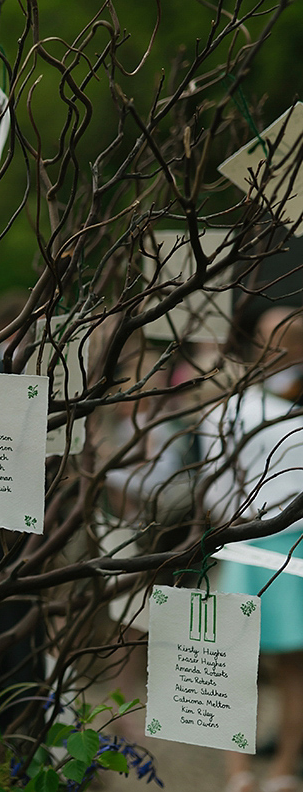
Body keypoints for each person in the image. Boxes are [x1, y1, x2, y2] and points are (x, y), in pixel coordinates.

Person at [206, 307, 303, 792]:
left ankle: (249, 772)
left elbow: (214, 492)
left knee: (241, 663)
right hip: (268, 546)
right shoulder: (236, 409)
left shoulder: (233, 409)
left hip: (257, 543)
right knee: (281, 667)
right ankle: (269, 770)